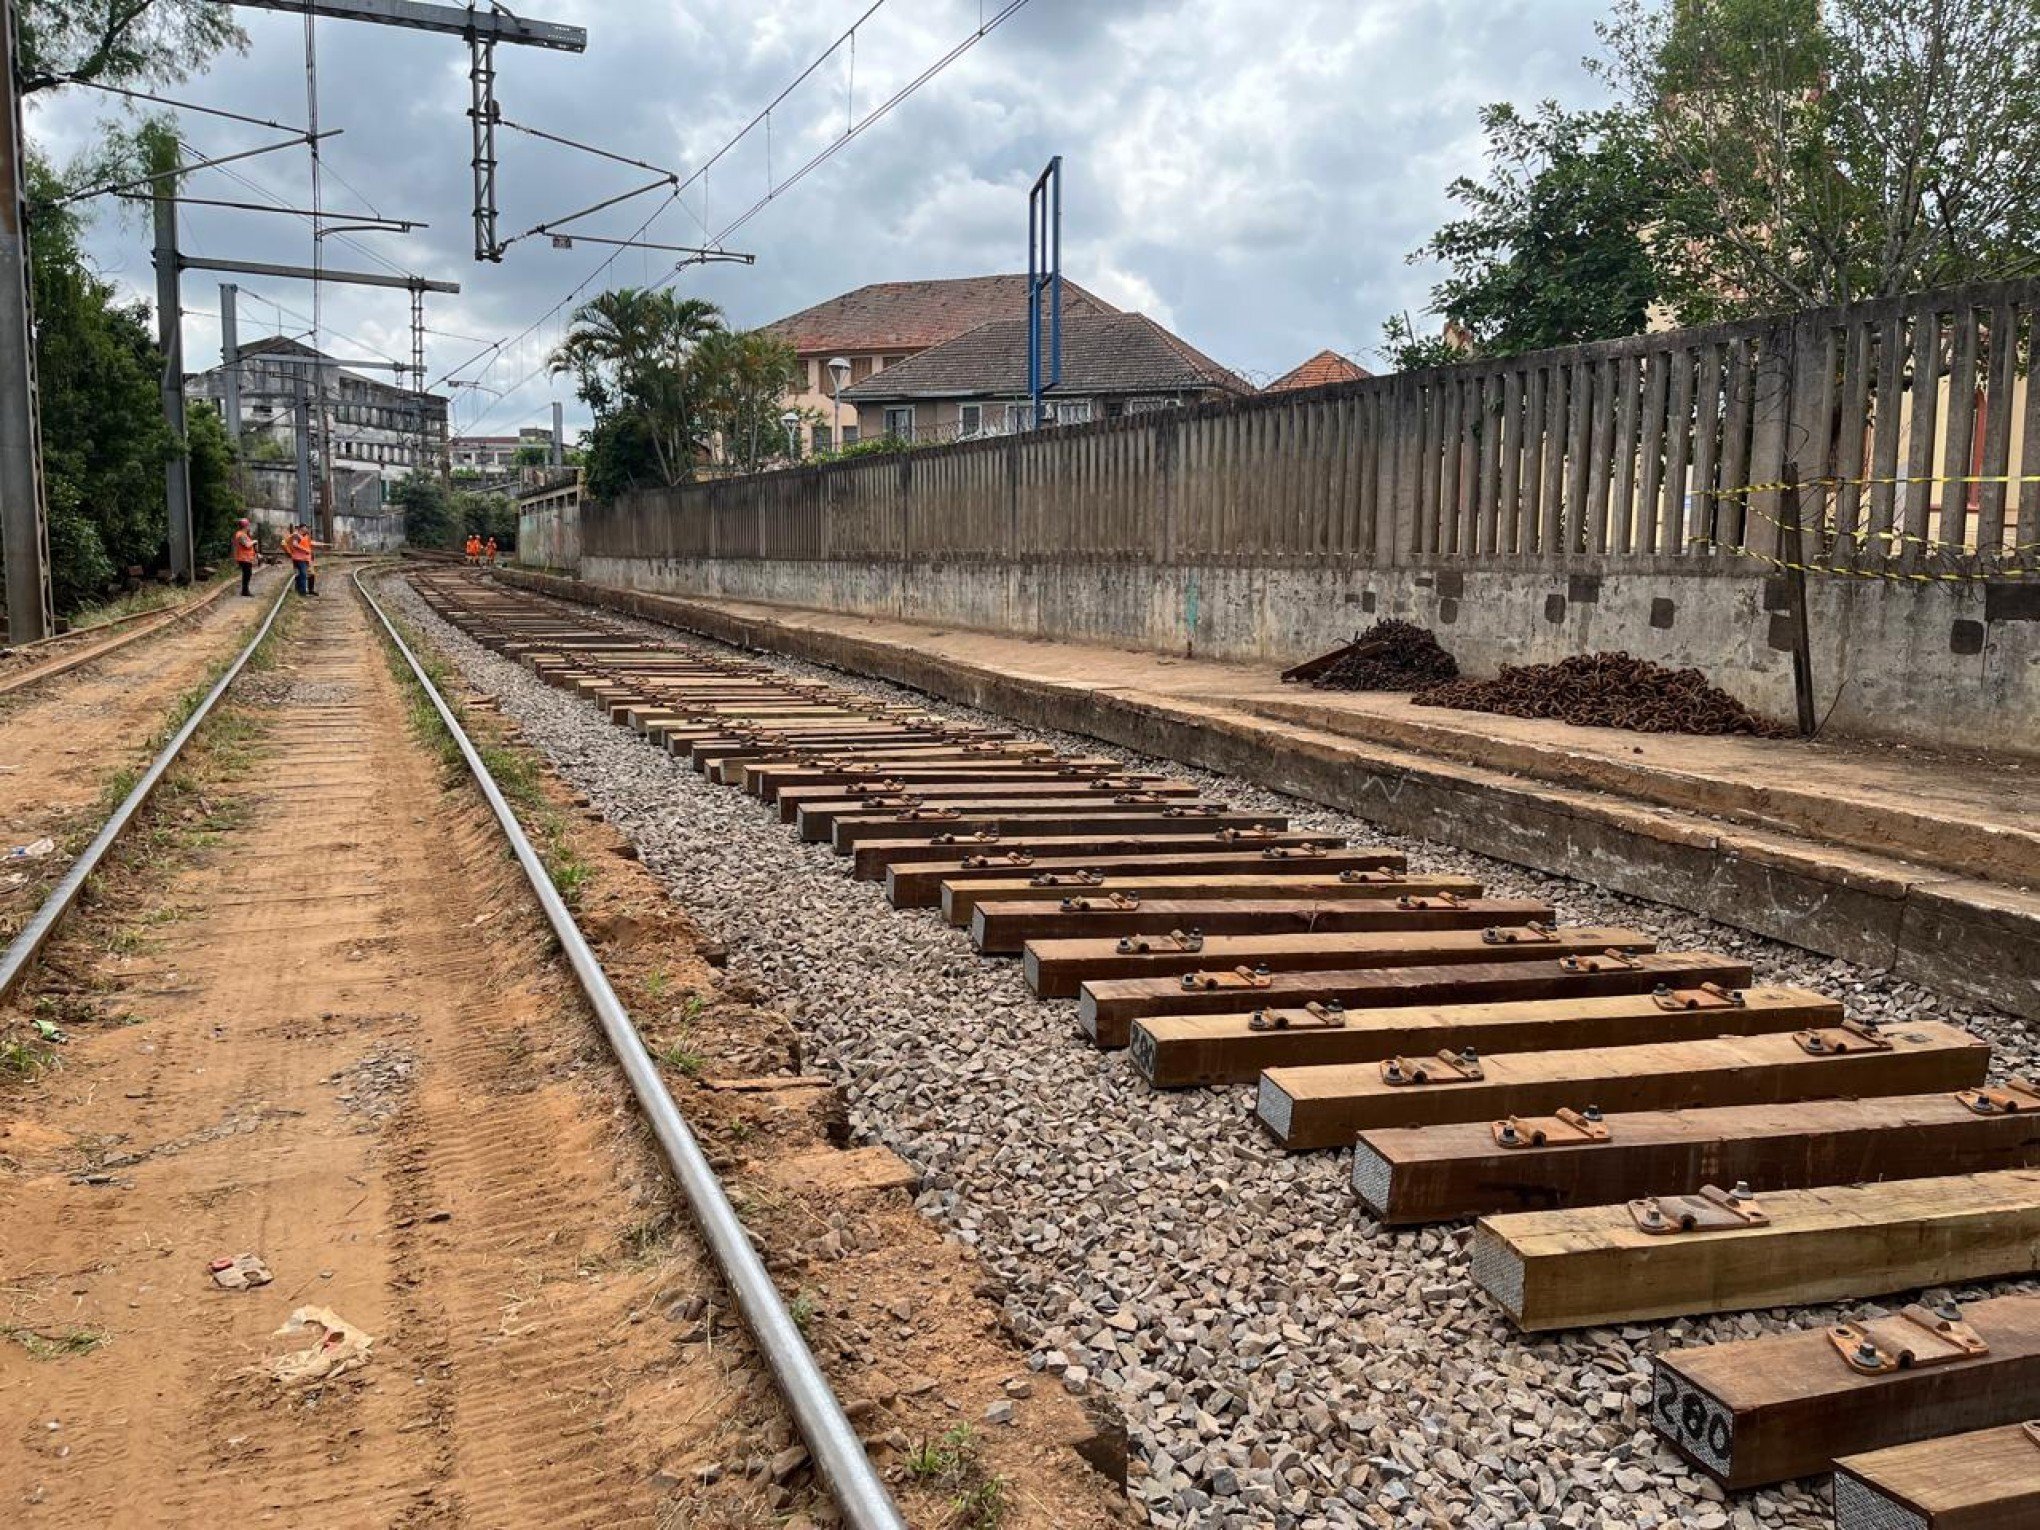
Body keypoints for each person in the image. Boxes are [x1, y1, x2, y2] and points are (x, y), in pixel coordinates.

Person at [232, 518, 257, 596]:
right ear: (245, 526)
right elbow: (247, 545)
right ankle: (245, 591)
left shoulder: (243, 534)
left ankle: (245, 590)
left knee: (247, 574)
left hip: (246, 558)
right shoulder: (241, 535)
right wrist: (254, 541)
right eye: (248, 525)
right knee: (247, 574)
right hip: (244, 558)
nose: (249, 526)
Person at [287, 524, 311, 596]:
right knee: (303, 575)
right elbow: (295, 544)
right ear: (302, 528)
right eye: (305, 528)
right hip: (300, 559)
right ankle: (303, 592)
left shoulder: (300, 536)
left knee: (298, 574)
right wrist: (305, 550)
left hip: (298, 558)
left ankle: (298, 590)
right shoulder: (297, 536)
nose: (306, 530)